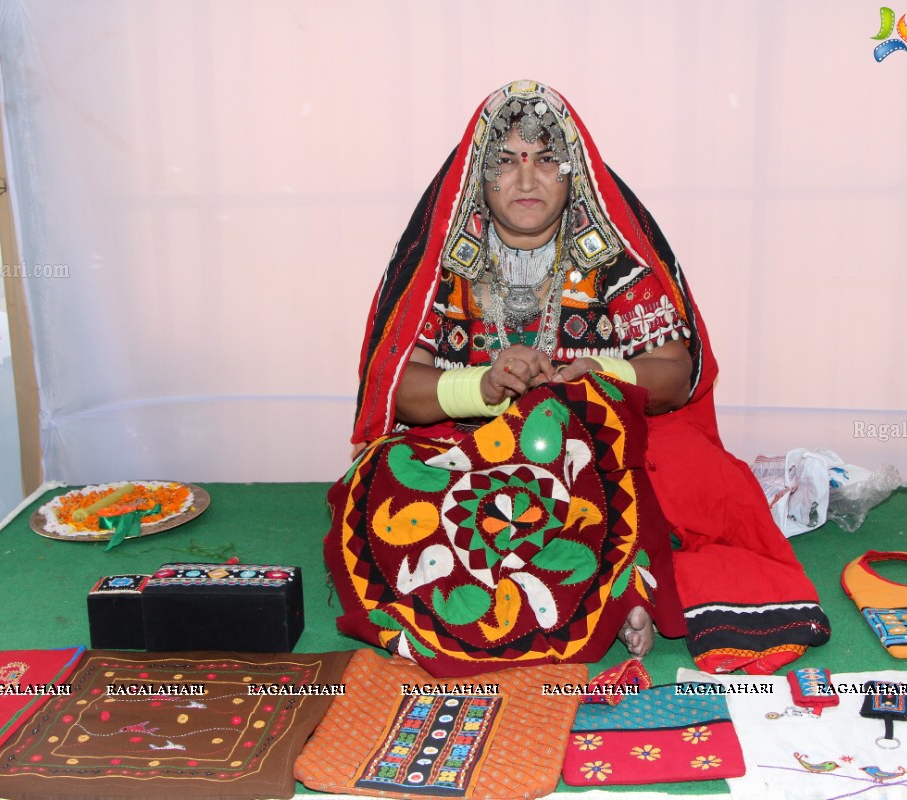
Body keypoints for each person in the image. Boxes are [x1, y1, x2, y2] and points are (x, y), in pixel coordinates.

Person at [326, 80, 829, 678]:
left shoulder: (612, 256)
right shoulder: (442, 262)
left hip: (601, 440)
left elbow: (675, 374)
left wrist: (601, 372)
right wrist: (481, 386)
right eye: (506, 162)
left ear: (574, 171)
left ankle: (625, 592)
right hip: (469, 446)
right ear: (478, 175)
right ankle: (616, 593)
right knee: (386, 481)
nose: (527, 180)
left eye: (545, 160)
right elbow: (392, 388)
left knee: (702, 479)